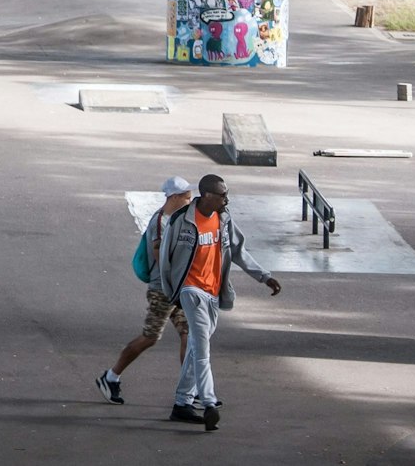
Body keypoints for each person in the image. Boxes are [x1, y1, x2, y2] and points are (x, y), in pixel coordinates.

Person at [155, 174, 282, 431]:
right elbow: (165, 260)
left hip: (213, 292)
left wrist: (264, 277)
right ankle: (209, 402)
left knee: (194, 347)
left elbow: (238, 251)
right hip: (190, 291)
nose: (227, 199)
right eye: (223, 194)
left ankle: (182, 404)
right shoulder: (181, 221)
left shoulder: (223, 219)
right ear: (208, 196)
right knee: (202, 348)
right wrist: (174, 294)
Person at [95, 175, 197, 403]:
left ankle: (190, 389)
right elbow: (162, 257)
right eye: (187, 198)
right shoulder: (161, 222)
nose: (190, 203)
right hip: (163, 290)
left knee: (188, 335)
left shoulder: (176, 219)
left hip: (178, 289)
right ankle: (111, 377)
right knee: (150, 337)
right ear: (175, 197)